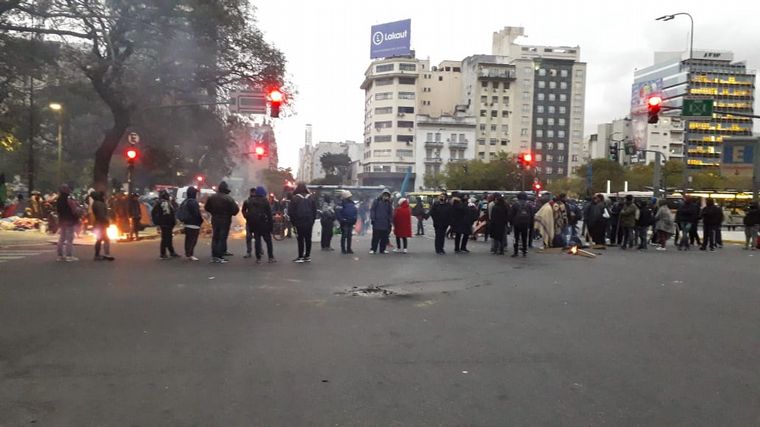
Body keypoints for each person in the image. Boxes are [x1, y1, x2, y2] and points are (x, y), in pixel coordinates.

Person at [204, 181, 239, 263]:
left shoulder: (212, 197)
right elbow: (235, 210)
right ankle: (219, 256)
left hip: (215, 219)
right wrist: (229, 213)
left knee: (215, 237)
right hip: (225, 220)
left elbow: (207, 208)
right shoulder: (229, 198)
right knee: (222, 238)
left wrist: (213, 212)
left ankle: (214, 255)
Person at [242, 186, 275, 263]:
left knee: (257, 240)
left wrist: (247, 217)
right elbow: (269, 215)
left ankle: (258, 258)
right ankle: (270, 257)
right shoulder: (265, 201)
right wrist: (271, 226)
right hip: (264, 224)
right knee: (268, 241)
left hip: (254, 224)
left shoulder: (250, 201)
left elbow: (244, 210)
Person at [289, 183, 317, 262]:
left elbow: (291, 212)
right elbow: (314, 211)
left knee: (300, 239)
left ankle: (300, 256)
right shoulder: (311, 197)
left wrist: (293, 222)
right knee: (308, 239)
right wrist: (312, 221)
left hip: (299, 222)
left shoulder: (295, 198)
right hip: (309, 221)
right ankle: (307, 256)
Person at [56, 184, 81, 262]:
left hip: (62, 220)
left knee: (62, 238)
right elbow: (74, 210)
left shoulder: (58, 200)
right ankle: (69, 255)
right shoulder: (69, 200)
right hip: (69, 221)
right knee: (69, 239)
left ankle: (60, 256)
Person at [153, 190, 179, 260]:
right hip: (166, 223)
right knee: (165, 238)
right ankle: (163, 253)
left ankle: (171, 252)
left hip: (166, 223)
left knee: (168, 238)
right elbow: (168, 214)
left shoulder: (163, 203)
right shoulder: (163, 203)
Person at [180, 186, 203, 261]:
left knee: (188, 239)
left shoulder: (185, 201)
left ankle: (188, 253)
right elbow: (197, 213)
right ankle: (190, 254)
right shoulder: (193, 202)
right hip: (194, 224)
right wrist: (201, 220)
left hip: (187, 223)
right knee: (193, 240)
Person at [91, 191, 114, 261]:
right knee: (106, 239)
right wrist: (107, 221)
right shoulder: (100, 204)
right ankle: (106, 254)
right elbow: (102, 215)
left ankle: (97, 254)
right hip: (101, 224)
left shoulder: (94, 203)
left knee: (99, 239)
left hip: (97, 223)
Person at [509, 191, 533, 257]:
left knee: (516, 238)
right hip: (525, 224)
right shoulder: (529, 205)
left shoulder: (515, 204)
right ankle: (524, 251)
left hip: (517, 224)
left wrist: (511, 223)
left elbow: (511, 215)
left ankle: (515, 252)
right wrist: (530, 224)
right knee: (524, 238)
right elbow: (531, 215)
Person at [369, 190, 393, 254]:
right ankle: (373, 249)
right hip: (377, 222)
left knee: (384, 237)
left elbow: (390, 212)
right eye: (385, 195)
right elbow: (372, 210)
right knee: (375, 237)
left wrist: (390, 220)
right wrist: (373, 218)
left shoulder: (388, 203)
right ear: (382, 195)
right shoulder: (376, 201)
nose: (386, 196)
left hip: (385, 223)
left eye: (387, 195)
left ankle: (382, 249)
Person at [336, 190, 357, 254]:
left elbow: (355, 211)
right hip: (344, 222)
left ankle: (348, 248)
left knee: (349, 236)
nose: (351, 197)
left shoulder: (352, 203)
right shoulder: (341, 203)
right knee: (344, 235)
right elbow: (338, 213)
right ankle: (343, 249)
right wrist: (342, 219)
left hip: (350, 221)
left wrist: (354, 219)